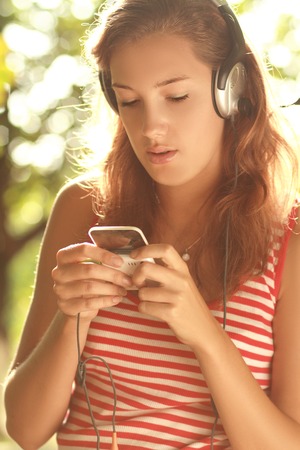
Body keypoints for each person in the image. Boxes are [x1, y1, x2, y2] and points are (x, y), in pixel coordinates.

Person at [4, 0, 300, 449]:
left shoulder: (291, 239)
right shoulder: (84, 209)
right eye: (129, 101)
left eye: (177, 96)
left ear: (231, 89)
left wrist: (205, 336)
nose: (150, 127)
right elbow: (24, 431)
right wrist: (73, 320)